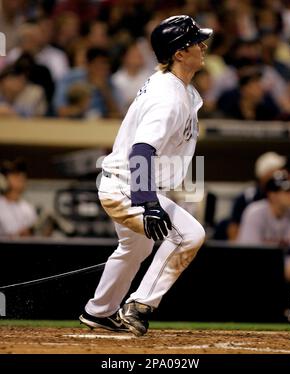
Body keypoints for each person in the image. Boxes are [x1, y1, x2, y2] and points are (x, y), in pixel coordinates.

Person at [79, 15, 213, 336]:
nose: (203, 45)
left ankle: (99, 312)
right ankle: (138, 305)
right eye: (196, 41)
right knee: (190, 235)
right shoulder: (167, 96)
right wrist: (148, 202)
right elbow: (142, 150)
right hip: (128, 187)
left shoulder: (175, 87)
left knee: (135, 250)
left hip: (126, 184)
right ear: (179, 53)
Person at [237, 169, 290, 283]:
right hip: (257, 271)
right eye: (286, 191)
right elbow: (248, 253)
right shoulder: (255, 212)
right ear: (272, 195)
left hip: (287, 274)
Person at [0, 159, 37, 237]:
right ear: (4, 179)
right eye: (15, 175)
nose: (21, 178)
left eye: (22, 175)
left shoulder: (28, 208)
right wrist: (16, 235)